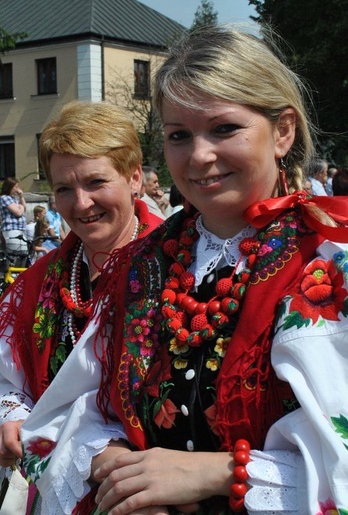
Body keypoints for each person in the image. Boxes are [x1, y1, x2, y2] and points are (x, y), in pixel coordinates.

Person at [82, 25, 347, 514]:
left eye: (224, 129)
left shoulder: (331, 258)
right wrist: (114, 463)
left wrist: (220, 472)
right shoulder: (144, 262)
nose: (200, 156)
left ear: (283, 131)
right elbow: (81, 406)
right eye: (179, 135)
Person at [0, 100, 162, 513]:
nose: (81, 203)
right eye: (64, 189)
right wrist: (11, 413)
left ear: (134, 178)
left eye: (96, 182)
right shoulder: (39, 281)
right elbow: (6, 374)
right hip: (59, 490)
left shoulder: (178, 266)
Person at [0, 177, 27, 255]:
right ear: (9, 187)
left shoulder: (14, 199)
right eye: (15, 187)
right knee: (16, 254)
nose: (17, 189)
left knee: (24, 253)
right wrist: (21, 206)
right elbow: (18, 213)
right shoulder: (4, 198)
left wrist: (21, 197)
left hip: (20, 229)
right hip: (12, 229)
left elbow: (24, 209)